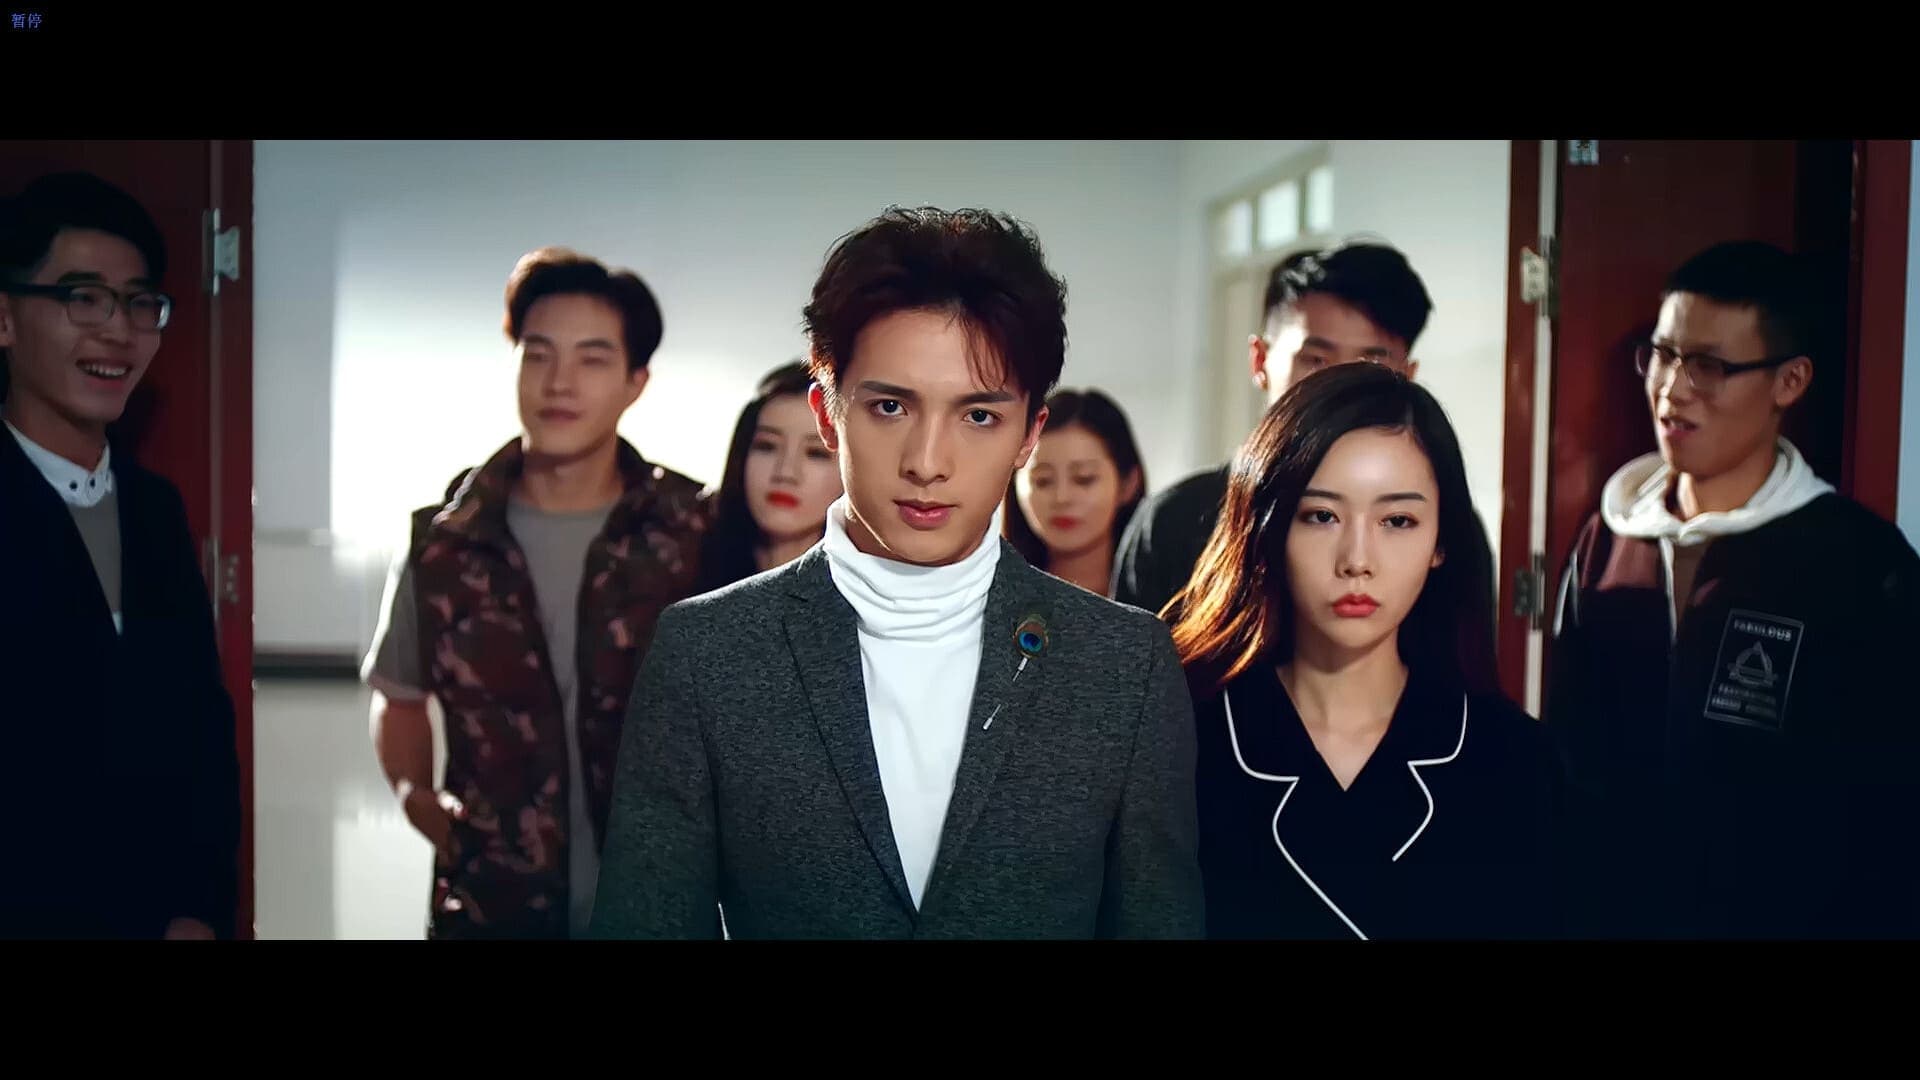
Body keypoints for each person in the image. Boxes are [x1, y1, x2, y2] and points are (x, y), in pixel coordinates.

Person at [592, 207, 1204, 939]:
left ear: (1027, 436)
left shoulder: (1124, 662)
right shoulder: (707, 651)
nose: (927, 462)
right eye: (889, 406)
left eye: (979, 417)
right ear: (829, 414)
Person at [1547, 241, 1920, 939]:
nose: (1672, 389)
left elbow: (1891, 804)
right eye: (1663, 355)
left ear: (1790, 381)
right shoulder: (1609, 538)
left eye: (1710, 366)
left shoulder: (1858, 562)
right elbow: (1566, 750)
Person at [360, 246, 711, 939]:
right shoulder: (448, 540)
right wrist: (414, 795)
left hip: (660, 898)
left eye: (592, 359)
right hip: (493, 899)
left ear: (636, 382)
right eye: (538, 354)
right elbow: (398, 695)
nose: (559, 383)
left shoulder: (691, 530)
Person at [1171, 363, 1557, 940]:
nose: (1357, 560)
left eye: (1397, 520)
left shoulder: (1517, 761)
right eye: (1321, 516)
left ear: (1441, 542)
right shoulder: (1182, 743)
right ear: (1268, 530)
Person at [0, 171, 241, 939]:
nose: (118, 331)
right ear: (5, 319)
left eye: (139, 303)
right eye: (83, 297)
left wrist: (198, 910)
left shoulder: (155, 508)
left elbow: (202, 732)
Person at [1113, 242, 1433, 616]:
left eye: (1370, 365)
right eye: (1316, 360)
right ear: (1260, 360)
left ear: (1407, 377)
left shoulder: (1436, 524)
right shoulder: (1176, 519)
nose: (1340, 386)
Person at [693, 360, 843, 593]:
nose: (785, 473)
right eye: (767, 446)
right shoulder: (680, 565)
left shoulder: (869, 595)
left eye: (815, 453)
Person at [1003, 387, 1145, 597]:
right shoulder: (985, 595)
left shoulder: (1166, 602)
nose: (1062, 498)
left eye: (1084, 479)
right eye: (1043, 481)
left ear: (1128, 484)